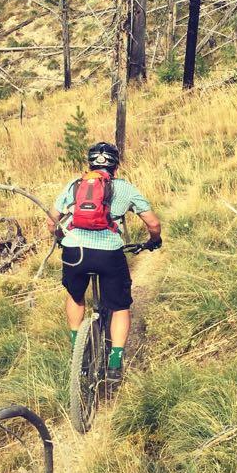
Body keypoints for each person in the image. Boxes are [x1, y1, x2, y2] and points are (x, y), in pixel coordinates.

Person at [47, 141, 162, 381]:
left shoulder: (75, 185)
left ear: (89, 164)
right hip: (109, 254)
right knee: (120, 306)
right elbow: (153, 223)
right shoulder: (126, 189)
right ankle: (114, 362)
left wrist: (60, 237)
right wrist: (154, 240)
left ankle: (76, 349)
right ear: (116, 166)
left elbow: (52, 220)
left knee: (75, 296)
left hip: (74, 251)